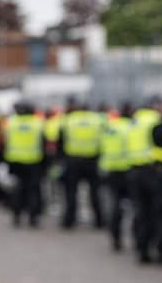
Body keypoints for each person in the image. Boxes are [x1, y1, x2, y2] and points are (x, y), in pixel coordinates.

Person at [126, 95, 162, 264]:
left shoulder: (135, 121)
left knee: (143, 213)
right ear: (156, 106)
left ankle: (143, 251)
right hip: (155, 173)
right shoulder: (155, 121)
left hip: (135, 173)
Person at [58, 98, 105, 229]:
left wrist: (62, 158)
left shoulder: (69, 119)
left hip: (73, 160)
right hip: (92, 160)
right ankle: (99, 221)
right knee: (94, 192)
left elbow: (61, 140)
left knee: (71, 192)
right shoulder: (97, 120)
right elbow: (103, 140)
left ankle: (69, 220)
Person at [3, 100, 46, 228]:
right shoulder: (38, 123)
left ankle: (16, 215)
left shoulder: (10, 122)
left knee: (16, 190)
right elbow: (44, 141)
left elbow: (4, 140)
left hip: (15, 161)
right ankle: (33, 216)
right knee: (33, 190)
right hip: (33, 161)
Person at [98, 102, 133, 251]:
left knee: (115, 207)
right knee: (135, 207)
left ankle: (116, 238)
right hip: (128, 171)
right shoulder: (131, 127)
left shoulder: (109, 128)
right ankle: (138, 240)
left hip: (110, 171)